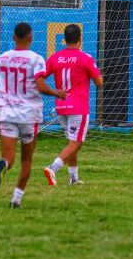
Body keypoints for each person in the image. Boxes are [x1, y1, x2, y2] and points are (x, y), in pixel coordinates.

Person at [0, 22, 65, 208]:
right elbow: (40, 86)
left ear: (14, 37)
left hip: (7, 113)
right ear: (31, 37)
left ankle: (3, 165)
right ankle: (16, 200)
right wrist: (57, 93)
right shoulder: (35, 59)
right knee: (26, 160)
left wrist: (8, 94)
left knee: (9, 158)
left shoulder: (3, 58)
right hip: (29, 115)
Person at [43, 24, 103, 186]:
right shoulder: (86, 58)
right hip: (78, 107)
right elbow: (99, 82)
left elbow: (40, 77)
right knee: (76, 142)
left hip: (61, 106)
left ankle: (74, 178)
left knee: (72, 141)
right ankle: (53, 168)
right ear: (80, 39)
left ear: (64, 39)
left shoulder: (54, 58)